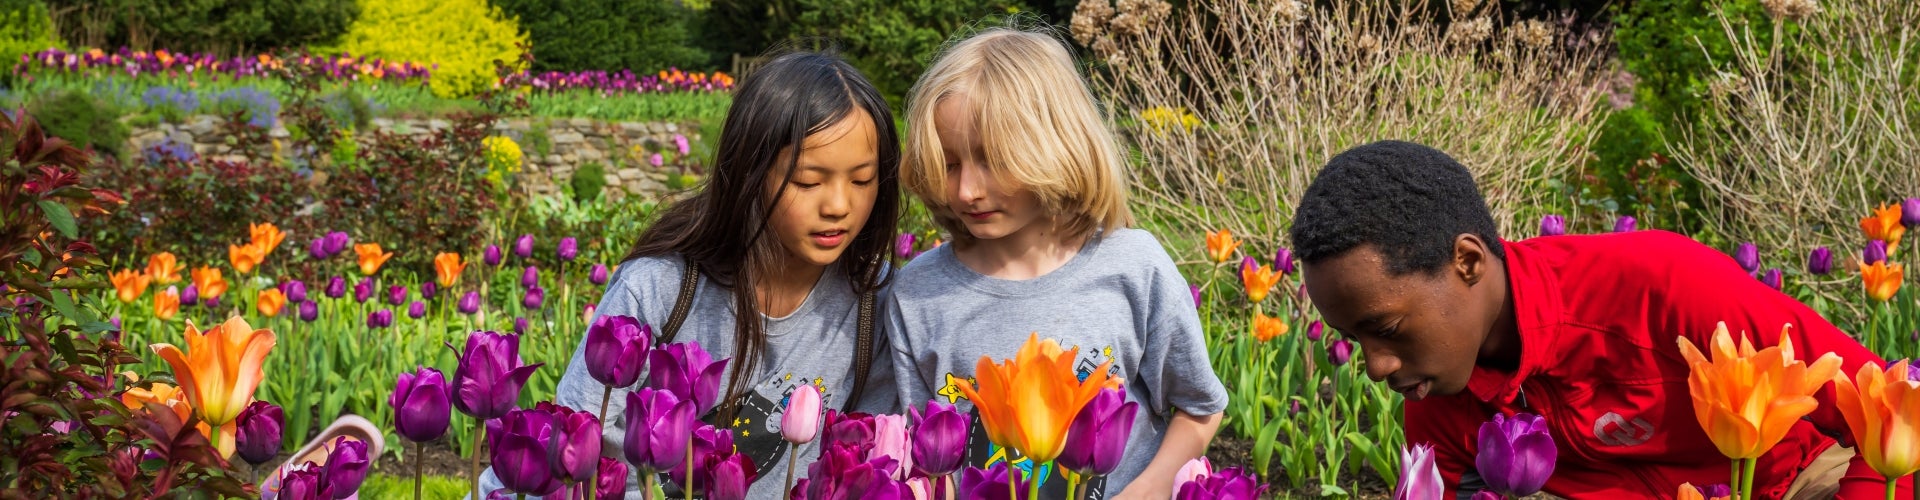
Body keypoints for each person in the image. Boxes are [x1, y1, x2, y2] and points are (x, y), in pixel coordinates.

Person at [1289, 140, 1913, 499]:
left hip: (1794, 483)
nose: (1375, 366)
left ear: (1467, 261)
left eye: (1388, 330)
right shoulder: (1441, 402)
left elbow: (1890, 407)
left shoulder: (1664, 289)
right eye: (1355, 340)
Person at [479, 51, 902, 499]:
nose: (838, 205)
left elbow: (864, 466)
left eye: (861, 180)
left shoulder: (873, 301)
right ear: (750, 173)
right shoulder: (662, 287)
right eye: (808, 181)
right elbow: (571, 435)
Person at [884, 26, 1228, 500]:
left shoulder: (1132, 266)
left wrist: (1147, 490)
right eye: (948, 164)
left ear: (1056, 147)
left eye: (992, 160)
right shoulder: (919, 293)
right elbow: (923, 457)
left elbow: (1200, 407)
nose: (967, 190)